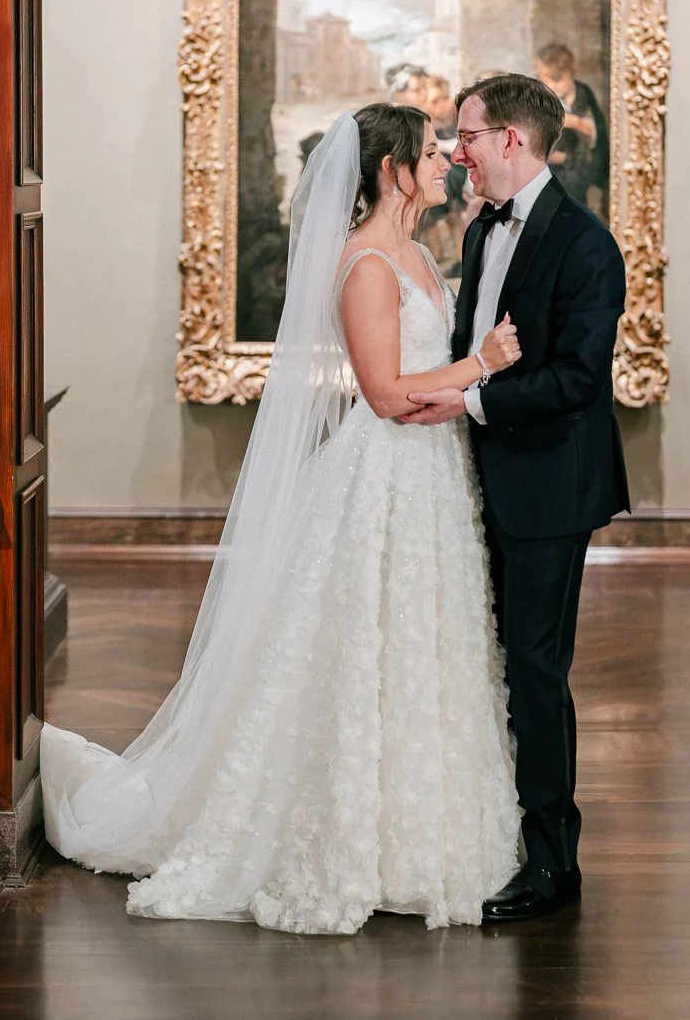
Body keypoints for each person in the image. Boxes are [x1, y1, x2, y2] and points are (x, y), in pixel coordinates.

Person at [40, 105, 521, 932]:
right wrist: (480, 364)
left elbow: (420, 380)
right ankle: (338, 838)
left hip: (433, 476)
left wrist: (456, 382)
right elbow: (381, 392)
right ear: (389, 171)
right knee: (359, 649)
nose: (444, 160)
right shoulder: (367, 263)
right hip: (381, 479)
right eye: (429, 152)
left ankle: (417, 836)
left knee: (420, 642)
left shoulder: (419, 254)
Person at [403, 73, 629, 924]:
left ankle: (550, 860)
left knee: (535, 670)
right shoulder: (482, 227)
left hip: (546, 487)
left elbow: (574, 380)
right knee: (484, 661)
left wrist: (468, 401)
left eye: (466, 135)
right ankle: (484, 828)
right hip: (477, 479)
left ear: (512, 142)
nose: (455, 151)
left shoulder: (584, 244)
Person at [534, 43, 609, 214]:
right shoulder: (541, 98)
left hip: (580, 168)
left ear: (571, 73)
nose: (553, 86)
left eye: (558, 79)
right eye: (546, 81)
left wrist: (576, 123)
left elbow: (596, 133)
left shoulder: (583, 94)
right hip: (551, 168)